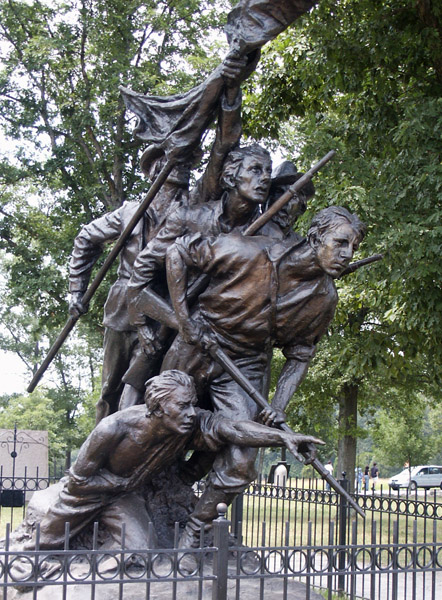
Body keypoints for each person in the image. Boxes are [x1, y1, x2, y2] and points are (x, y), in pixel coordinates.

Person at [164, 206, 366, 545]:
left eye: (353, 249)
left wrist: (277, 407)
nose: (347, 255)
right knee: (158, 427)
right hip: (197, 345)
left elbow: (300, 355)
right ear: (316, 237)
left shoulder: (324, 299)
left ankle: (192, 533)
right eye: (341, 243)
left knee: (242, 463)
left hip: (245, 367)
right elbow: (177, 251)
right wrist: (185, 320)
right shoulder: (249, 250)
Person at [69, 55, 251, 424]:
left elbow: (223, 147)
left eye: (188, 159)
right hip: (124, 309)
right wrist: (76, 290)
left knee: (158, 387)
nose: (183, 163)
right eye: (172, 159)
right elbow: (85, 240)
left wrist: (230, 93)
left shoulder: (194, 206)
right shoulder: (127, 214)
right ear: (154, 168)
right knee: (111, 389)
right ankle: (104, 444)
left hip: (169, 308)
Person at [22, 370, 322, 551]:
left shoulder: (189, 423)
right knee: (37, 552)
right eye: (183, 405)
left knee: (140, 550)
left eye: (193, 404)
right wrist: (117, 481)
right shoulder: (113, 428)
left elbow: (234, 428)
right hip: (84, 497)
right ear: (158, 406)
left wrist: (283, 437)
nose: (192, 411)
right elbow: (79, 479)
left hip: (125, 499)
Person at [125, 143, 273, 397]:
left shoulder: (269, 235)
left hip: (239, 349)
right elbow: (137, 283)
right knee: (136, 402)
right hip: (181, 331)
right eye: (256, 170)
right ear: (229, 177)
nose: (266, 178)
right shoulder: (188, 219)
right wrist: (170, 323)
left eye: (268, 171)